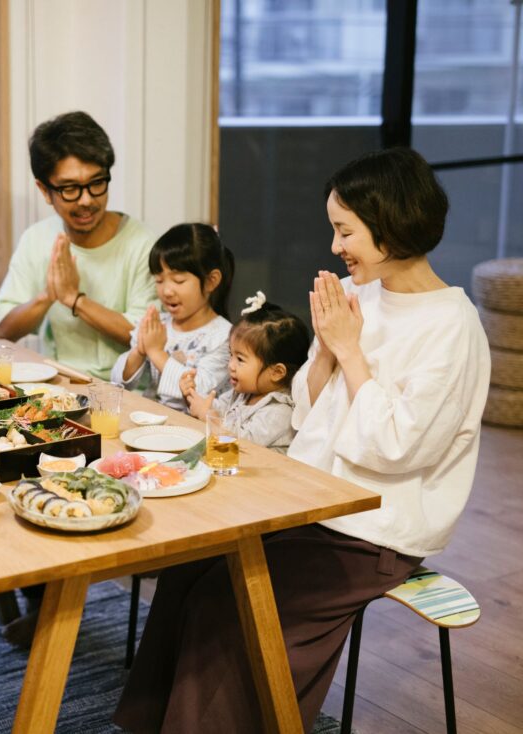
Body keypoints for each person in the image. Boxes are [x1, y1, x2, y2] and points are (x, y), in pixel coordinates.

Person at [114, 147, 490, 733]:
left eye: (346, 231)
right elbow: (308, 414)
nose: (336, 246)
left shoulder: (452, 325)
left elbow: (396, 447)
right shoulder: (354, 294)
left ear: (390, 225)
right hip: (311, 498)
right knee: (188, 568)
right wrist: (330, 353)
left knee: (227, 604)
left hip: (374, 528)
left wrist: (348, 350)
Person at [0, 111, 157, 381]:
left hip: (123, 392)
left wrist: (75, 299)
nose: (86, 200)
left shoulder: (142, 244)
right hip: (55, 384)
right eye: (70, 189)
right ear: (45, 191)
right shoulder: (37, 238)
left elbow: (143, 335)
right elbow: (6, 329)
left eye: (96, 183)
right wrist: (48, 295)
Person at [110, 223, 234, 411]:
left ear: (211, 281)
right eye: (159, 280)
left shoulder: (225, 337)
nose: (166, 291)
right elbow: (120, 383)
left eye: (179, 281)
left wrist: (156, 352)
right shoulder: (159, 324)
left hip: (194, 432)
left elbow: (199, 392)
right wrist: (140, 351)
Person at [181, 292, 310, 453]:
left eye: (240, 359)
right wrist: (192, 396)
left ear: (277, 372)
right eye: (231, 355)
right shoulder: (243, 393)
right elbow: (215, 407)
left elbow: (242, 443)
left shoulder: (280, 411)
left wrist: (207, 415)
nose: (231, 365)